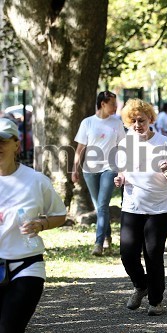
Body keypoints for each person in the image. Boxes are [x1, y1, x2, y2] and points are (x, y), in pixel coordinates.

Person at [0, 118, 67, 332]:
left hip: (26, 265)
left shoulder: (36, 180)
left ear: (16, 145)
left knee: (10, 328)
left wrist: (41, 223)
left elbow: (59, 215)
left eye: (2, 141)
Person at [113, 98, 167, 316]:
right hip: (133, 205)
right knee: (127, 253)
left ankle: (156, 300)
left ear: (150, 119)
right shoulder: (125, 144)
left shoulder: (164, 143)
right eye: (132, 121)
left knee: (152, 253)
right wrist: (120, 178)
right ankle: (141, 285)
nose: (137, 125)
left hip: (160, 207)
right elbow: (123, 171)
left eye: (141, 120)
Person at [72, 90, 126, 256]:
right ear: (103, 104)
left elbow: (123, 146)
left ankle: (98, 243)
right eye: (113, 104)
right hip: (90, 170)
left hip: (109, 168)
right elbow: (80, 148)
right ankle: (108, 237)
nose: (116, 108)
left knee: (102, 205)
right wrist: (75, 169)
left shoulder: (116, 123)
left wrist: (123, 169)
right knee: (100, 207)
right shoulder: (87, 123)